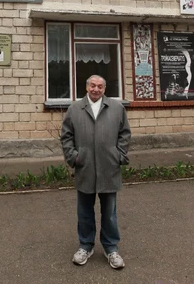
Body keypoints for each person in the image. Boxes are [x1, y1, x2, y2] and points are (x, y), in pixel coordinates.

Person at [60, 75, 131, 270]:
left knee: (109, 213)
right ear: (86, 87)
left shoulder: (117, 108)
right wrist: (74, 157)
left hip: (109, 168)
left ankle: (111, 248)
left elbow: (125, 133)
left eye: (100, 86)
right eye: (93, 85)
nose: (96, 89)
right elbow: (66, 136)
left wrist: (119, 155)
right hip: (85, 168)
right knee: (84, 212)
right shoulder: (75, 109)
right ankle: (85, 246)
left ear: (104, 89)